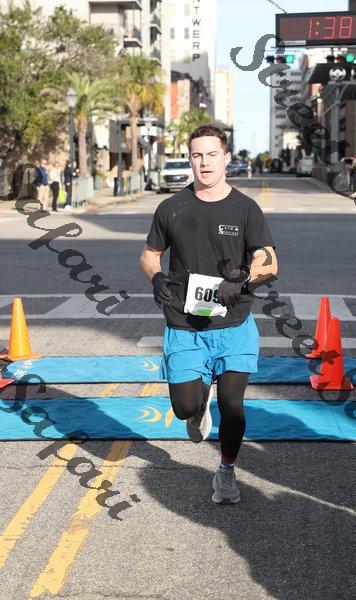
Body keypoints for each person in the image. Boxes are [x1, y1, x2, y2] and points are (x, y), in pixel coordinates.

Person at [140, 125, 277, 504]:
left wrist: (244, 277)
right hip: (185, 324)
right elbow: (149, 255)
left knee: (233, 406)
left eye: (212, 154)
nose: (204, 162)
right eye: (197, 155)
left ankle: (226, 472)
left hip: (234, 324)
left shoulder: (245, 208)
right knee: (183, 407)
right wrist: (156, 277)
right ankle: (198, 401)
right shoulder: (171, 208)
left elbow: (268, 260)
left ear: (226, 158)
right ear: (190, 159)